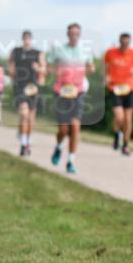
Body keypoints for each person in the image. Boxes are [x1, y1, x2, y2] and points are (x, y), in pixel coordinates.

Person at [47, 23, 94, 174]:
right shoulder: (59, 50)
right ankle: (59, 147)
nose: (74, 36)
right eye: (71, 33)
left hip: (78, 91)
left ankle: (71, 161)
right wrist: (54, 71)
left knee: (75, 126)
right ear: (68, 34)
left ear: (79, 35)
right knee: (63, 129)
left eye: (76, 33)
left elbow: (91, 67)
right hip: (61, 91)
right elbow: (49, 66)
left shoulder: (85, 51)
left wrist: (89, 69)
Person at [104, 33, 133, 156]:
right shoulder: (110, 53)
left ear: (130, 42)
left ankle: (126, 145)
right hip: (115, 88)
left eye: (127, 43)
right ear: (119, 41)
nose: (125, 45)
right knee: (119, 117)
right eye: (123, 42)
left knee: (128, 118)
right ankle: (117, 134)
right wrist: (106, 77)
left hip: (130, 88)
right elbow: (106, 66)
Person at [8, 30, 46, 156]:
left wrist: (38, 68)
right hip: (20, 86)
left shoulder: (37, 53)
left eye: (29, 39)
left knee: (30, 118)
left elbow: (44, 69)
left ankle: (28, 141)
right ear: (22, 39)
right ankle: (23, 145)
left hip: (32, 87)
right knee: (24, 115)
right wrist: (12, 71)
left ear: (31, 40)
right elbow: (10, 64)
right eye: (25, 38)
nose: (27, 41)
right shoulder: (16, 51)